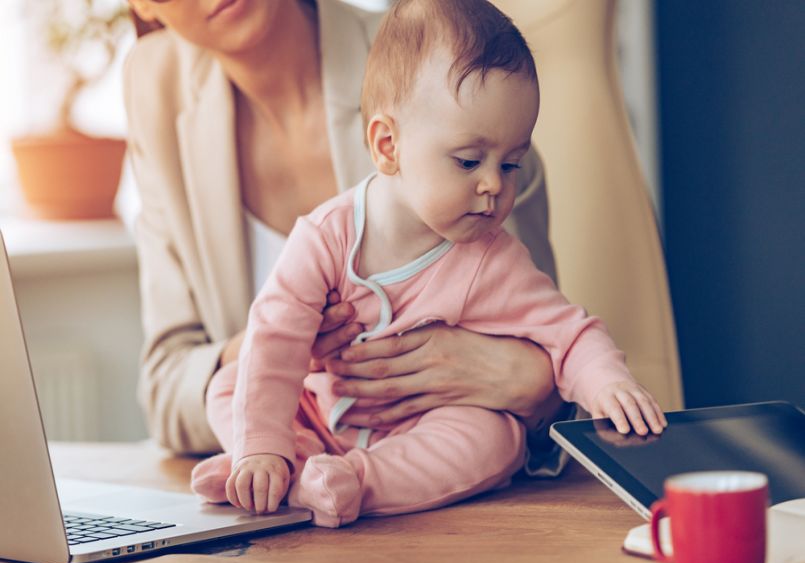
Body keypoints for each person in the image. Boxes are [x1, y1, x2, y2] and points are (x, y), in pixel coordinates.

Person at [189, 0, 667, 528]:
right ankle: (270, 466)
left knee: (496, 439)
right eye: (469, 161)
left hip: (420, 433)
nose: (495, 185)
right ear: (388, 145)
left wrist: (606, 384)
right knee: (234, 382)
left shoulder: (492, 257)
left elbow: (568, 334)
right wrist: (262, 443)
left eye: (511, 164)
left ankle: (357, 483)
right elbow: (274, 335)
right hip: (322, 414)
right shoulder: (326, 236)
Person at [125, 0, 571, 476]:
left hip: (443, 485)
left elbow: (542, 351)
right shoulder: (156, 85)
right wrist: (281, 339)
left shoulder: (441, 60)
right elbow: (165, 390)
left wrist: (536, 386)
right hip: (294, 491)